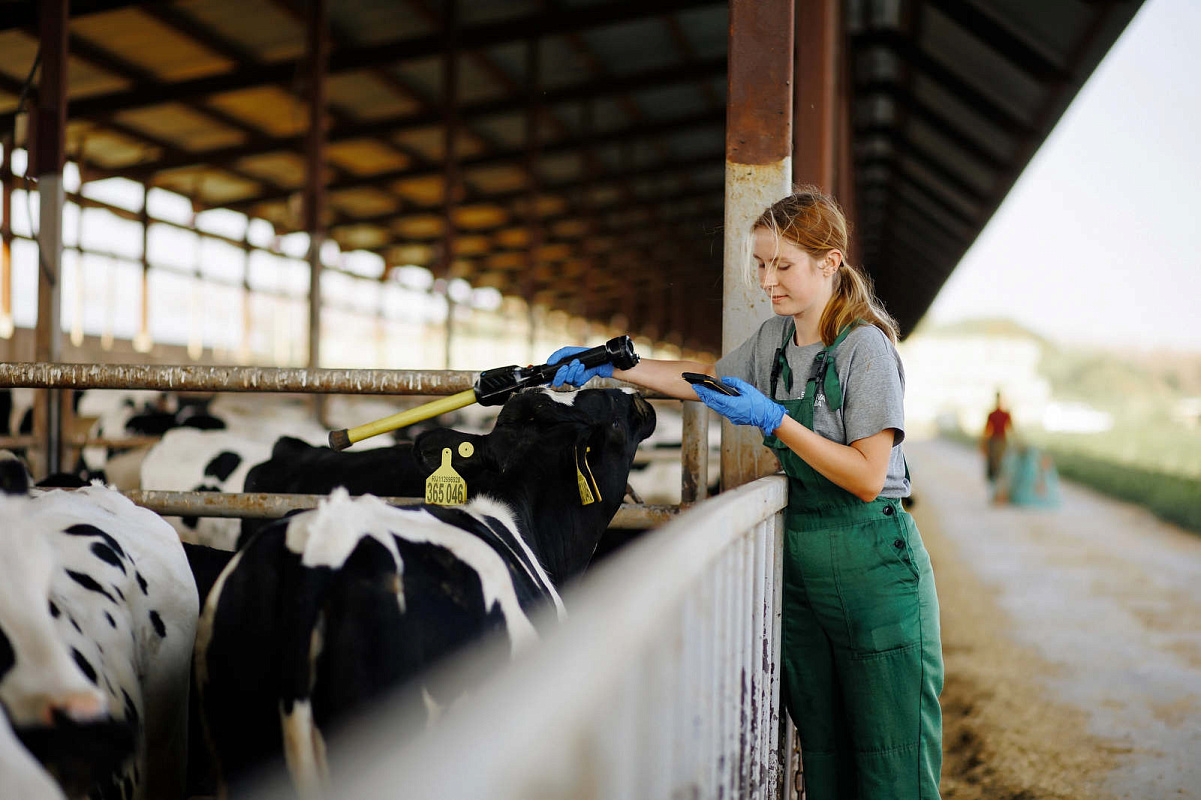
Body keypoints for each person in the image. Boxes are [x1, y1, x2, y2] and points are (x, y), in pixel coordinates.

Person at [548, 187, 943, 800]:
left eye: (783, 265)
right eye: (761, 264)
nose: (768, 280)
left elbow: (868, 476)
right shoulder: (774, 343)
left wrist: (777, 422)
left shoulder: (865, 348)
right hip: (805, 565)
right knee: (826, 749)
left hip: (874, 567)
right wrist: (610, 365)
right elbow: (699, 380)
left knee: (892, 761)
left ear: (829, 263)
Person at [981, 391, 1013, 485]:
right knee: (995, 464)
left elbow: (1011, 429)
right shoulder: (992, 414)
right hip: (996, 441)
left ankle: (998, 484)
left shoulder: (1005, 414)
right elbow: (987, 430)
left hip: (1000, 441)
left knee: (1000, 464)